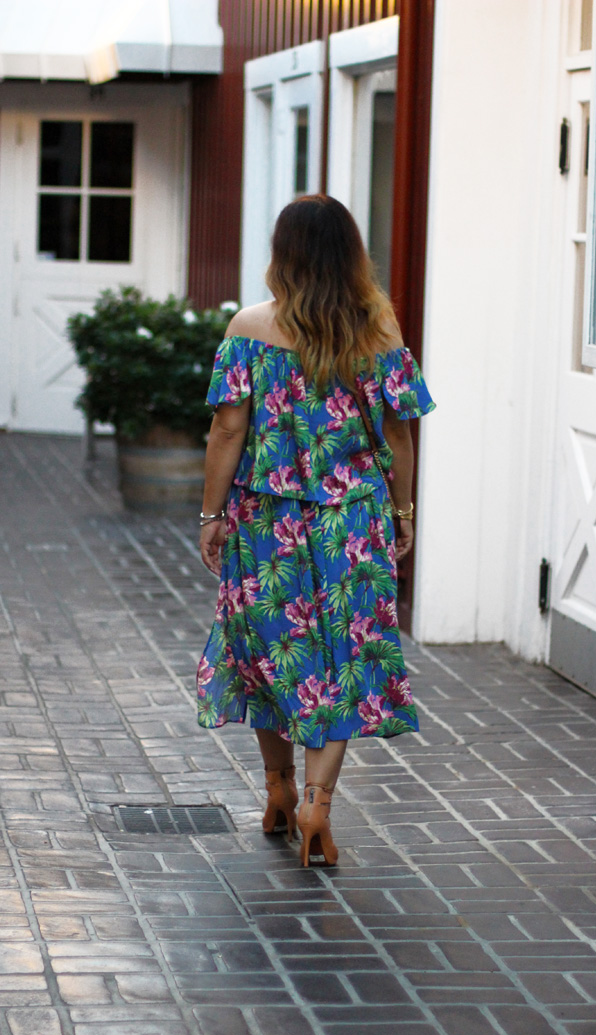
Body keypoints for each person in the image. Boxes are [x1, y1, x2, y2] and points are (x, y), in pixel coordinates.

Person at [196, 195, 434, 867]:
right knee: (344, 659)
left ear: (283, 252)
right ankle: (316, 808)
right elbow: (399, 430)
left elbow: (228, 429)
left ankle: (277, 788)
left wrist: (212, 516)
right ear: (350, 253)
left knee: (272, 655)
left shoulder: (249, 327)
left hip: (265, 521)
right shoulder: (378, 330)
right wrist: (403, 512)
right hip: (351, 523)